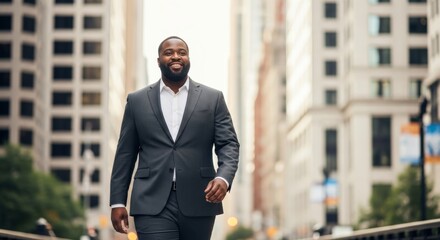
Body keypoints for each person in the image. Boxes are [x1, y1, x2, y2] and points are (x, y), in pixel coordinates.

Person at [110, 36, 240, 240]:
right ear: (159, 60)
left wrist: (223, 177)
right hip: (150, 200)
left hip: (201, 198)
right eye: (168, 53)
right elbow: (125, 153)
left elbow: (229, 144)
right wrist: (117, 201)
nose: (176, 56)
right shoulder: (137, 101)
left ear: (189, 58)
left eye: (182, 52)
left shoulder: (213, 98)